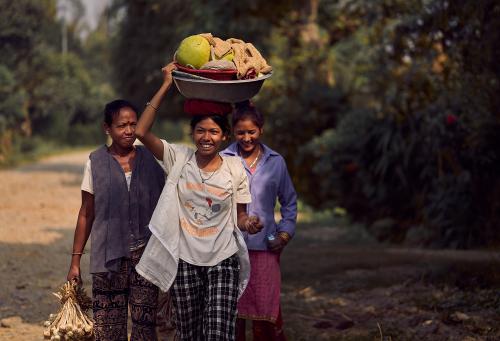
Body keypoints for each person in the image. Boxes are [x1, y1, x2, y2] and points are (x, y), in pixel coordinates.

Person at [134, 62, 264, 341]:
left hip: (223, 260)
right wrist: (167, 83)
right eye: (201, 131)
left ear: (224, 136)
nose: (207, 137)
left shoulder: (234, 169)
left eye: (214, 132)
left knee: (219, 333)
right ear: (192, 134)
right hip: (186, 261)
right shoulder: (179, 158)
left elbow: (240, 217)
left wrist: (249, 222)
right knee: (189, 334)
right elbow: (141, 132)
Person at [66, 99, 166, 341]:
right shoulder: (96, 161)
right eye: (122, 125)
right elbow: (86, 213)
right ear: (107, 128)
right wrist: (75, 261)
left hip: (147, 257)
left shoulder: (153, 158)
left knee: (145, 328)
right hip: (108, 260)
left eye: (133, 124)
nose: (129, 131)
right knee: (108, 329)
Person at [221, 101, 297, 341]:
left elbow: (289, 202)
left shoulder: (276, 162)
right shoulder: (222, 159)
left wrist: (284, 234)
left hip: (266, 247)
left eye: (251, 132)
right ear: (233, 131)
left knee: (265, 308)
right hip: (229, 248)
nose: (246, 138)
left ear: (261, 130)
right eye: (240, 132)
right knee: (232, 313)